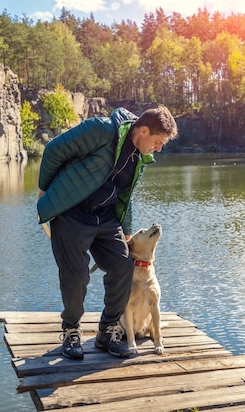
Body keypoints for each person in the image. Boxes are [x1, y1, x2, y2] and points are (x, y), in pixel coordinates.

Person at [36, 106, 178, 360]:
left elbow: (127, 193)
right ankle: (71, 331)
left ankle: (107, 329)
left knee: (123, 266)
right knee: (77, 275)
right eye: (157, 142)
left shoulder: (140, 156)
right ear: (143, 131)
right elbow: (54, 150)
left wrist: (125, 230)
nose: (158, 149)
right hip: (71, 211)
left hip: (106, 216)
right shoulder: (101, 130)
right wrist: (44, 188)